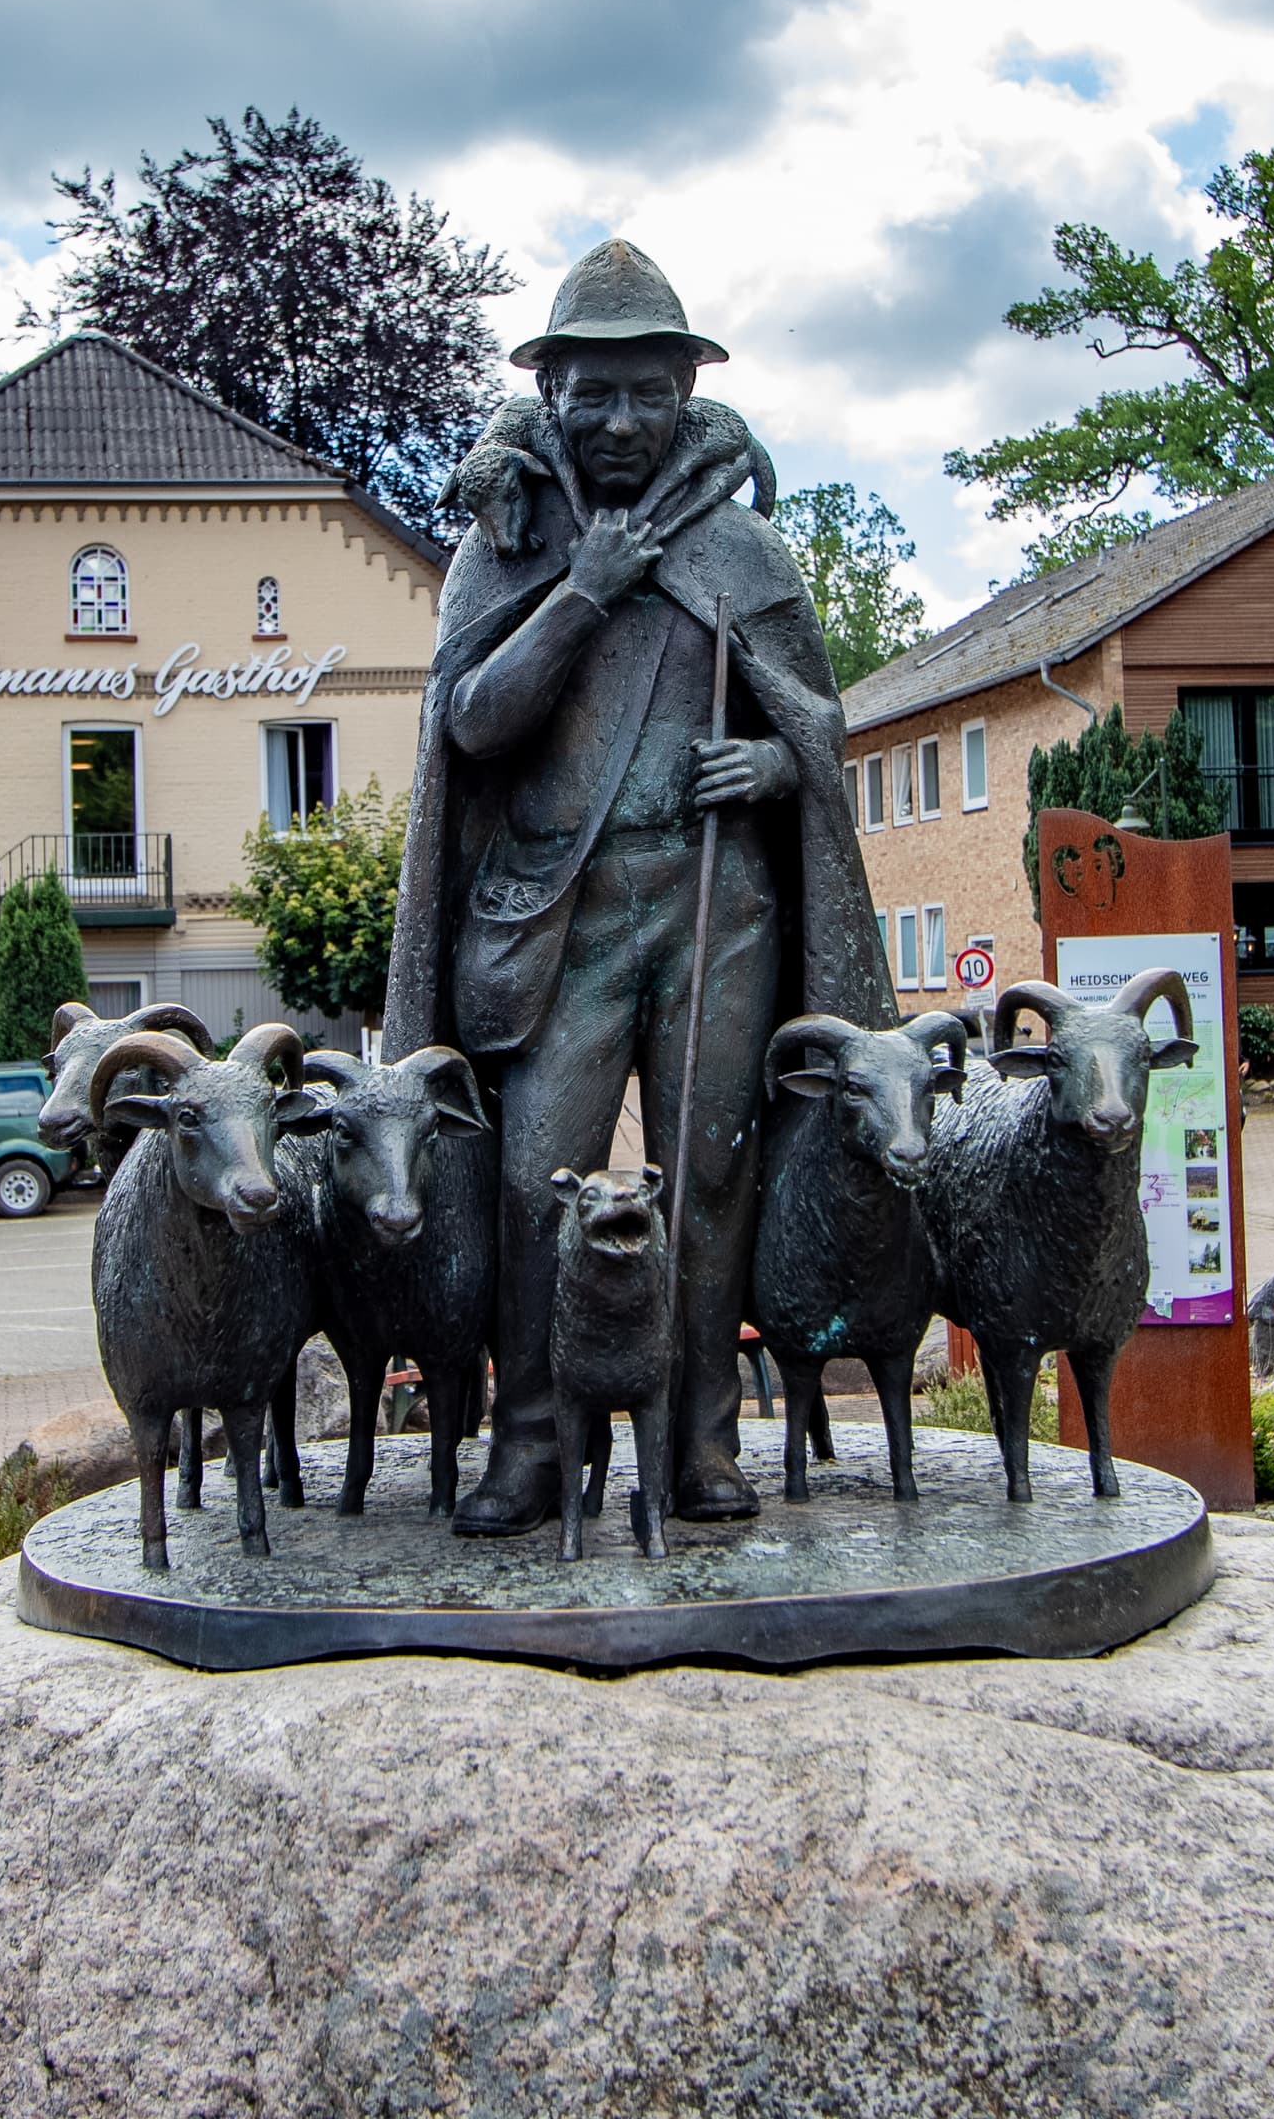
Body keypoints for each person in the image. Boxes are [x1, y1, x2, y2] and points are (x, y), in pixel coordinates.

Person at [379, 241, 893, 1535]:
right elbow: (474, 727)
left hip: (714, 909)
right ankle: (533, 1448)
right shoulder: (502, 547)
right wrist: (579, 598)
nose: (617, 421)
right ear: (548, 395)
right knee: (531, 1178)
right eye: (591, 393)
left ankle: (696, 1442)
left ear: (686, 396)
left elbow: (818, 729)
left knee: (708, 1175)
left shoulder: (743, 550)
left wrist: (773, 763)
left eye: (644, 393)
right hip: (557, 913)